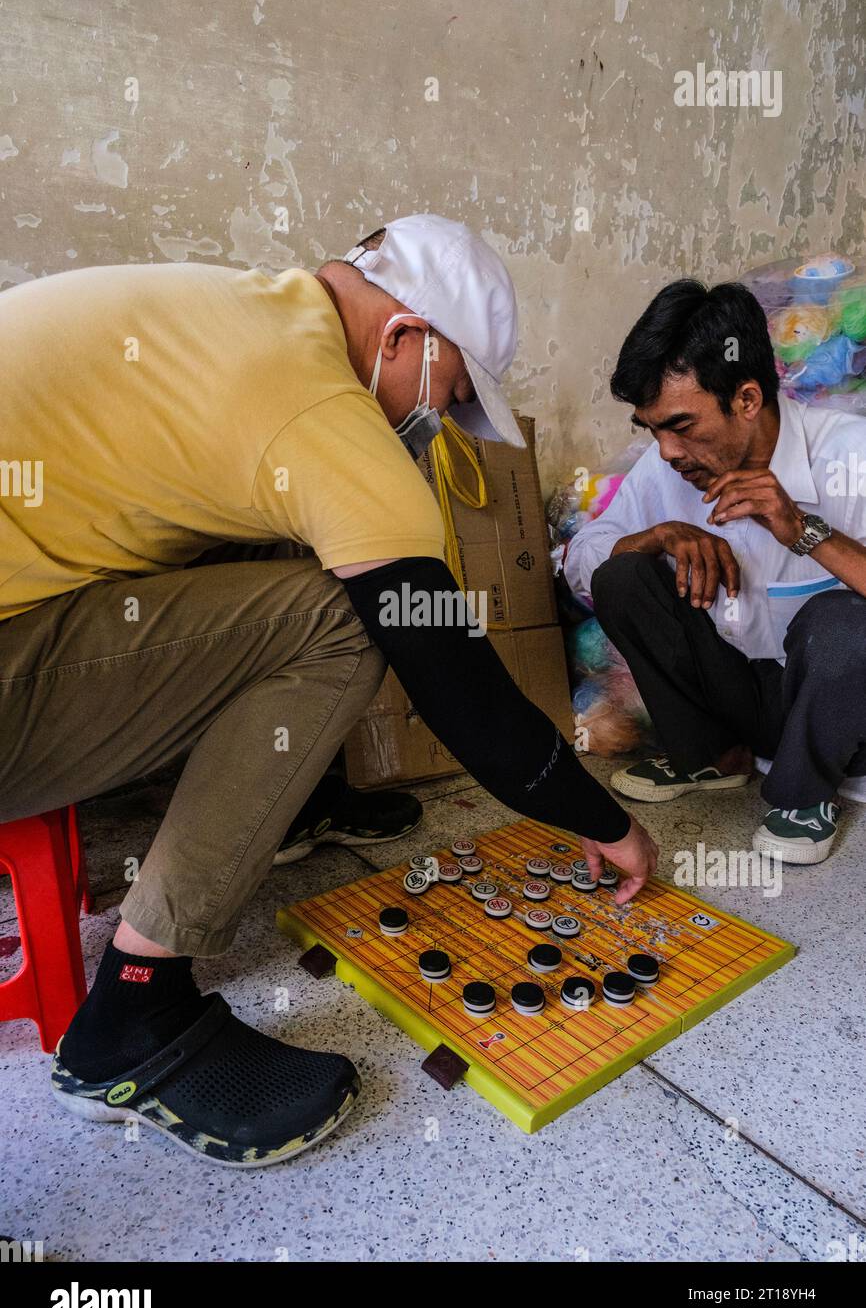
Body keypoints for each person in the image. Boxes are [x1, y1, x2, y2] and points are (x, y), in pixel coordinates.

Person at [0, 214, 656, 1167]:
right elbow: (460, 690)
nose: (428, 425)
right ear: (400, 337)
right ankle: (132, 1018)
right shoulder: (321, 413)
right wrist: (602, 821)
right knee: (349, 620)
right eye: (447, 394)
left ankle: (299, 802)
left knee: (286, 542)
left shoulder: (235, 314)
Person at [565, 278, 866, 868]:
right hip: (751, 699)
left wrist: (801, 529)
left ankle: (804, 796)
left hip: (843, 718)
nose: (667, 450)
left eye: (680, 424)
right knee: (622, 574)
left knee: (842, 620)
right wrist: (655, 538)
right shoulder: (667, 466)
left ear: (748, 399)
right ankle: (715, 758)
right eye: (650, 429)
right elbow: (582, 557)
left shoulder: (848, 457)